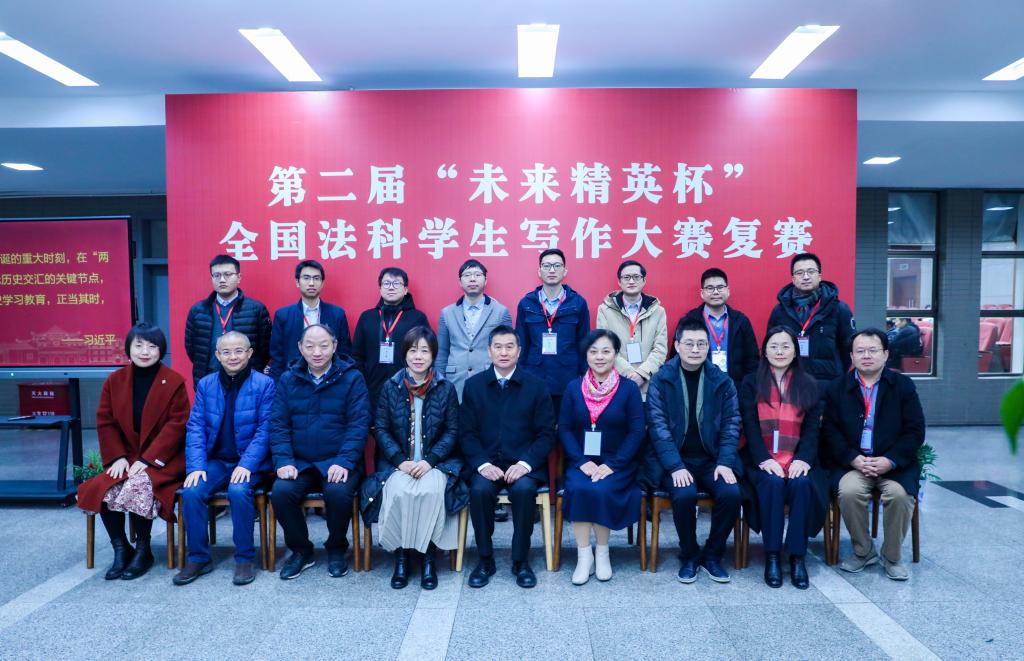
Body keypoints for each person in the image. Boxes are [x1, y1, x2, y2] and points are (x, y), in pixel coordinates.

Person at [77, 323, 189, 580]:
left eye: (152, 346)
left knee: (139, 484)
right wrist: (116, 456)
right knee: (104, 487)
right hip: (126, 456)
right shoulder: (115, 381)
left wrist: (149, 459)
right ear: (129, 349)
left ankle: (143, 550)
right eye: (139, 346)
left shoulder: (173, 381)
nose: (145, 352)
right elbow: (105, 421)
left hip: (164, 459)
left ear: (161, 350)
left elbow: (177, 425)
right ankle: (121, 548)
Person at [362, 326, 465, 591]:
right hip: (399, 463)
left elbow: (453, 430)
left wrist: (430, 461)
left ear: (433, 355)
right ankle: (402, 557)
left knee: (430, 492)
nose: (418, 356)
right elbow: (380, 428)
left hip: (435, 463)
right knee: (399, 492)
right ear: (404, 354)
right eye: (413, 350)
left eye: (425, 351)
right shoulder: (390, 387)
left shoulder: (445, 388)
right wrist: (399, 460)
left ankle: (428, 557)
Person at [644, 318, 742, 584]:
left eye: (701, 344)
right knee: (684, 494)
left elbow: (732, 425)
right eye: (689, 343)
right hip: (675, 460)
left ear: (709, 346)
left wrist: (725, 462)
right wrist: (675, 466)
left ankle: (712, 555)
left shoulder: (722, 381)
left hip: (712, 460)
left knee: (731, 493)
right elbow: (658, 429)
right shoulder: (661, 380)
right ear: (677, 346)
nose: (695, 349)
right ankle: (689, 554)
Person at [174, 331, 276, 586]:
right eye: (226, 352)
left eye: (239, 351)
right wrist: (196, 466)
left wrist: (247, 464)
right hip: (217, 460)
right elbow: (196, 427)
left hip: (249, 462)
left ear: (250, 353)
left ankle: (244, 558)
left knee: (238, 491)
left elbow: (266, 430)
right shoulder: (206, 384)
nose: (233, 357)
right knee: (192, 490)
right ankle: (199, 557)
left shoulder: (264, 384)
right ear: (218, 355)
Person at [269, 324, 370, 580]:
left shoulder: (352, 378)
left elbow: (358, 425)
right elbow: (278, 424)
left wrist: (345, 461)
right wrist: (284, 460)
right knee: (281, 492)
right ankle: (301, 550)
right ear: (300, 348)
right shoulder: (288, 379)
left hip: (338, 460)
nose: (317, 352)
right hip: (300, 461)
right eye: (310, 346)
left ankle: (337, 548)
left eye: (324, 346)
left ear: (334, 346)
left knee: (338, 493)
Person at [824, 328, 925, 581]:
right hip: (853, 464)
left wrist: (890, 460)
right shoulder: (837, 388)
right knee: (849, 492)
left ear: (886, 354)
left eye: (873, 350)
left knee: (899, 495)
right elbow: (830, 432)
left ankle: (892, 557)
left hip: (894, 465)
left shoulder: (902, 386)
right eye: (860, 351)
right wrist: (853, 458)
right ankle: (864, 551)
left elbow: (915, 431)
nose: (866, 356)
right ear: (851, 356)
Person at [460, 325, 555, 588]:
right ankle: (485, 559)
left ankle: (520, 561)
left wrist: (525, 464)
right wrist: (482, 464)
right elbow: (466, 433)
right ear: (489, 351)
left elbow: (546, 434)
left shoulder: (536, 387)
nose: (504, 352)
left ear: (519, 351)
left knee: (524, 491)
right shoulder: (474, 386)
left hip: (523, 465)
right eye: (498, 347)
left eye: (509, 347)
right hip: (487, 464)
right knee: (479, 491)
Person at [738, 326, 827, 589]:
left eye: (786, 346)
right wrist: (764, 459)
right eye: (774, 346)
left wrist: (803, 459)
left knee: (802, 483)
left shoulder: (809, 384)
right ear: (764, 351)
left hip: (798, 457)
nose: (780, 351)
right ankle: (773, 556)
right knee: (772, 483)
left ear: (795, 351)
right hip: (761, 459)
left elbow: (812, 430)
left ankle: (797, 556)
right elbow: (750, 425)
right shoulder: (751, 382)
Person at [559, 330, 645, 585]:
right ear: (586, 355)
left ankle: (603, 553)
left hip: (618, 462)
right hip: (582, 461)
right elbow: (564, 429)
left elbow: (637, 431)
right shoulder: (573, 388)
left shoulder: (629, 389)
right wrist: (581, 462)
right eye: (593, 351)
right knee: (579, 487)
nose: (600, 357)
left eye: (606, 351)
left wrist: (613, 465)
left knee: (602, 489)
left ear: (616, 354)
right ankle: (584, 555)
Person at [516, 248, 590, 413]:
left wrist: (584, 378)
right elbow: (521, 344)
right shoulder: (527, 303)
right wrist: (520, 378)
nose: (551, 270)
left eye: (557, 266)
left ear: (565, 271)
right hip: (534, 377)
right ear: (539, 271)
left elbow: (584, 344)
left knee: (566, 425)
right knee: (536, 426)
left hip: (567, 378)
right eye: (546, 266)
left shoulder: (577, 303)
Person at [766, 252, 855, 386]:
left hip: (828, 383)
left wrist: (836, 373)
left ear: (819, 276)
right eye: (800, 273)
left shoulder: (838, 308)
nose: (806, 277)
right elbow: (771, 345)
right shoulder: (780, 311)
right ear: (793, 279)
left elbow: (848, 347)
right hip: (790, 383)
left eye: (811, 272)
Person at [184, 254, 272, 387]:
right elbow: (192, 349)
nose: (222, 280)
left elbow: (265, 349)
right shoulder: (198, 310)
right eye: (217, 275)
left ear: (239, 277)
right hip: (209, 378)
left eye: (228, 274)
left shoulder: (256, 309)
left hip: (247, 381)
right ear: (211, 278)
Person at [351, 266, 431, 411]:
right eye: (386, 283)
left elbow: (428, 354)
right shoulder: (367, 317)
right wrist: (362, 382)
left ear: (405, 289)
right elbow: (357, 355)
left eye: (396, 283)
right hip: (372, 390)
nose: (391, 287)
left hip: (408, 389)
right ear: (380, 288)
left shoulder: (417, 318)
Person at [436, 259, 513, 401]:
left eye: (477, 275)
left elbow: (508, 350)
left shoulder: (500, 312)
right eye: (467, 275)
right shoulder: (447, 313)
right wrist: (439, 383)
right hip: (455, 383)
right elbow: (441, 352)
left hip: (489, 381)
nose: (472, 279)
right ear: (460, 282)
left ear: (485, 280)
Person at [595, 259, 668, 399]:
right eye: (626, 277)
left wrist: (642, 374)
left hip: (648, 386)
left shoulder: (658, 312)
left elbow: (660, 349)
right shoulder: (604, 310)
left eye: (636, 277)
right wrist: (628, 373)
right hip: (616, 385)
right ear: (619, 281)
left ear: (644, 280)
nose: (631, 281)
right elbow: (605, 348)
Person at [269, 259, 352, 378]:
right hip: (294, 378)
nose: (311, 283)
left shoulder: (337, 314)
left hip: (330, 378)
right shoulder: (283, 315)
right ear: (297, 282)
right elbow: (277, 357)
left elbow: (344, 352)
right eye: (306, 278)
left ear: (322, 283)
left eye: (316, 278)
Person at [682, 267, 759, 387]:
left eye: (720, 287)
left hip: (735, 388)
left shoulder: (741, 321)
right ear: (702, 293)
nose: (716, 292)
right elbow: (678, 357)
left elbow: (752, 359)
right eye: (710, 288)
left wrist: (745, 387)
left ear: (728, 291)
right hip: (700, 387)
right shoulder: (689, 320)